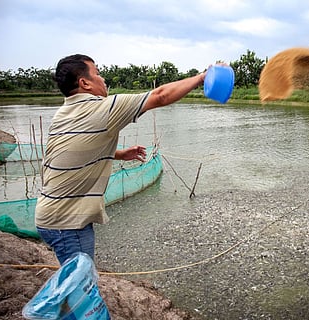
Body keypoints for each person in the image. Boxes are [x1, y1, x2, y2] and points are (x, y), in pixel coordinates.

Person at [35, 54, 207, 265]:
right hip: (68, 221)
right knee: (82, 287)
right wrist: (202, 77)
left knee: (74, 280)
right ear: (84, 83)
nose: (103, 79)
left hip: (48, 216)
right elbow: (160, 96)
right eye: (97, 73)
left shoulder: (64, 113)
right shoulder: (103, 108)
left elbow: (73, 150)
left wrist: (119, 154)